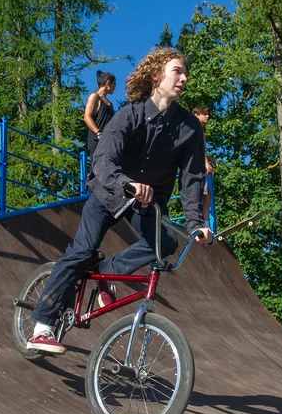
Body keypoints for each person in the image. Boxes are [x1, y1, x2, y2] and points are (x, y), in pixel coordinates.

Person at [27, 47, 213, 354]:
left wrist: (196, 224)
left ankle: (111, 270)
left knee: (165, 242)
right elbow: (103, 159)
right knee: (82, 251)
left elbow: (192, 179)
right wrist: (126, 183)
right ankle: (43, 326)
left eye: (185, 73)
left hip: (147, 204)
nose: (184, 78)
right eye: (177, 71)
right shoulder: (131, 113)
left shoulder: (189, 128)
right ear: (157, 76)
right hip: (109, 194)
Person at [84, 71, 116, 161]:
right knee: (96, 167)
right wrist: (98, 133)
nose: (115, 87)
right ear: (108, 83)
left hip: (107, 141)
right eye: (114, 84)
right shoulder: (94, 97)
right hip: (96, 140)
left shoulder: (110, 104)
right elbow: (87, 117)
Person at [192, 105, 215, 223]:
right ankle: (204, 223)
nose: (207, 116)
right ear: (196, 115)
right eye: (204, 114)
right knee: (204, 196)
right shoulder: (196, 128)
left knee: (206, 195)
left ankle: (204, 222)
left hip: (196, 164)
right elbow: (198, 149)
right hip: (197, 167)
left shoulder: (196, 129)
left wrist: (208, 158)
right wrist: (206, 163)